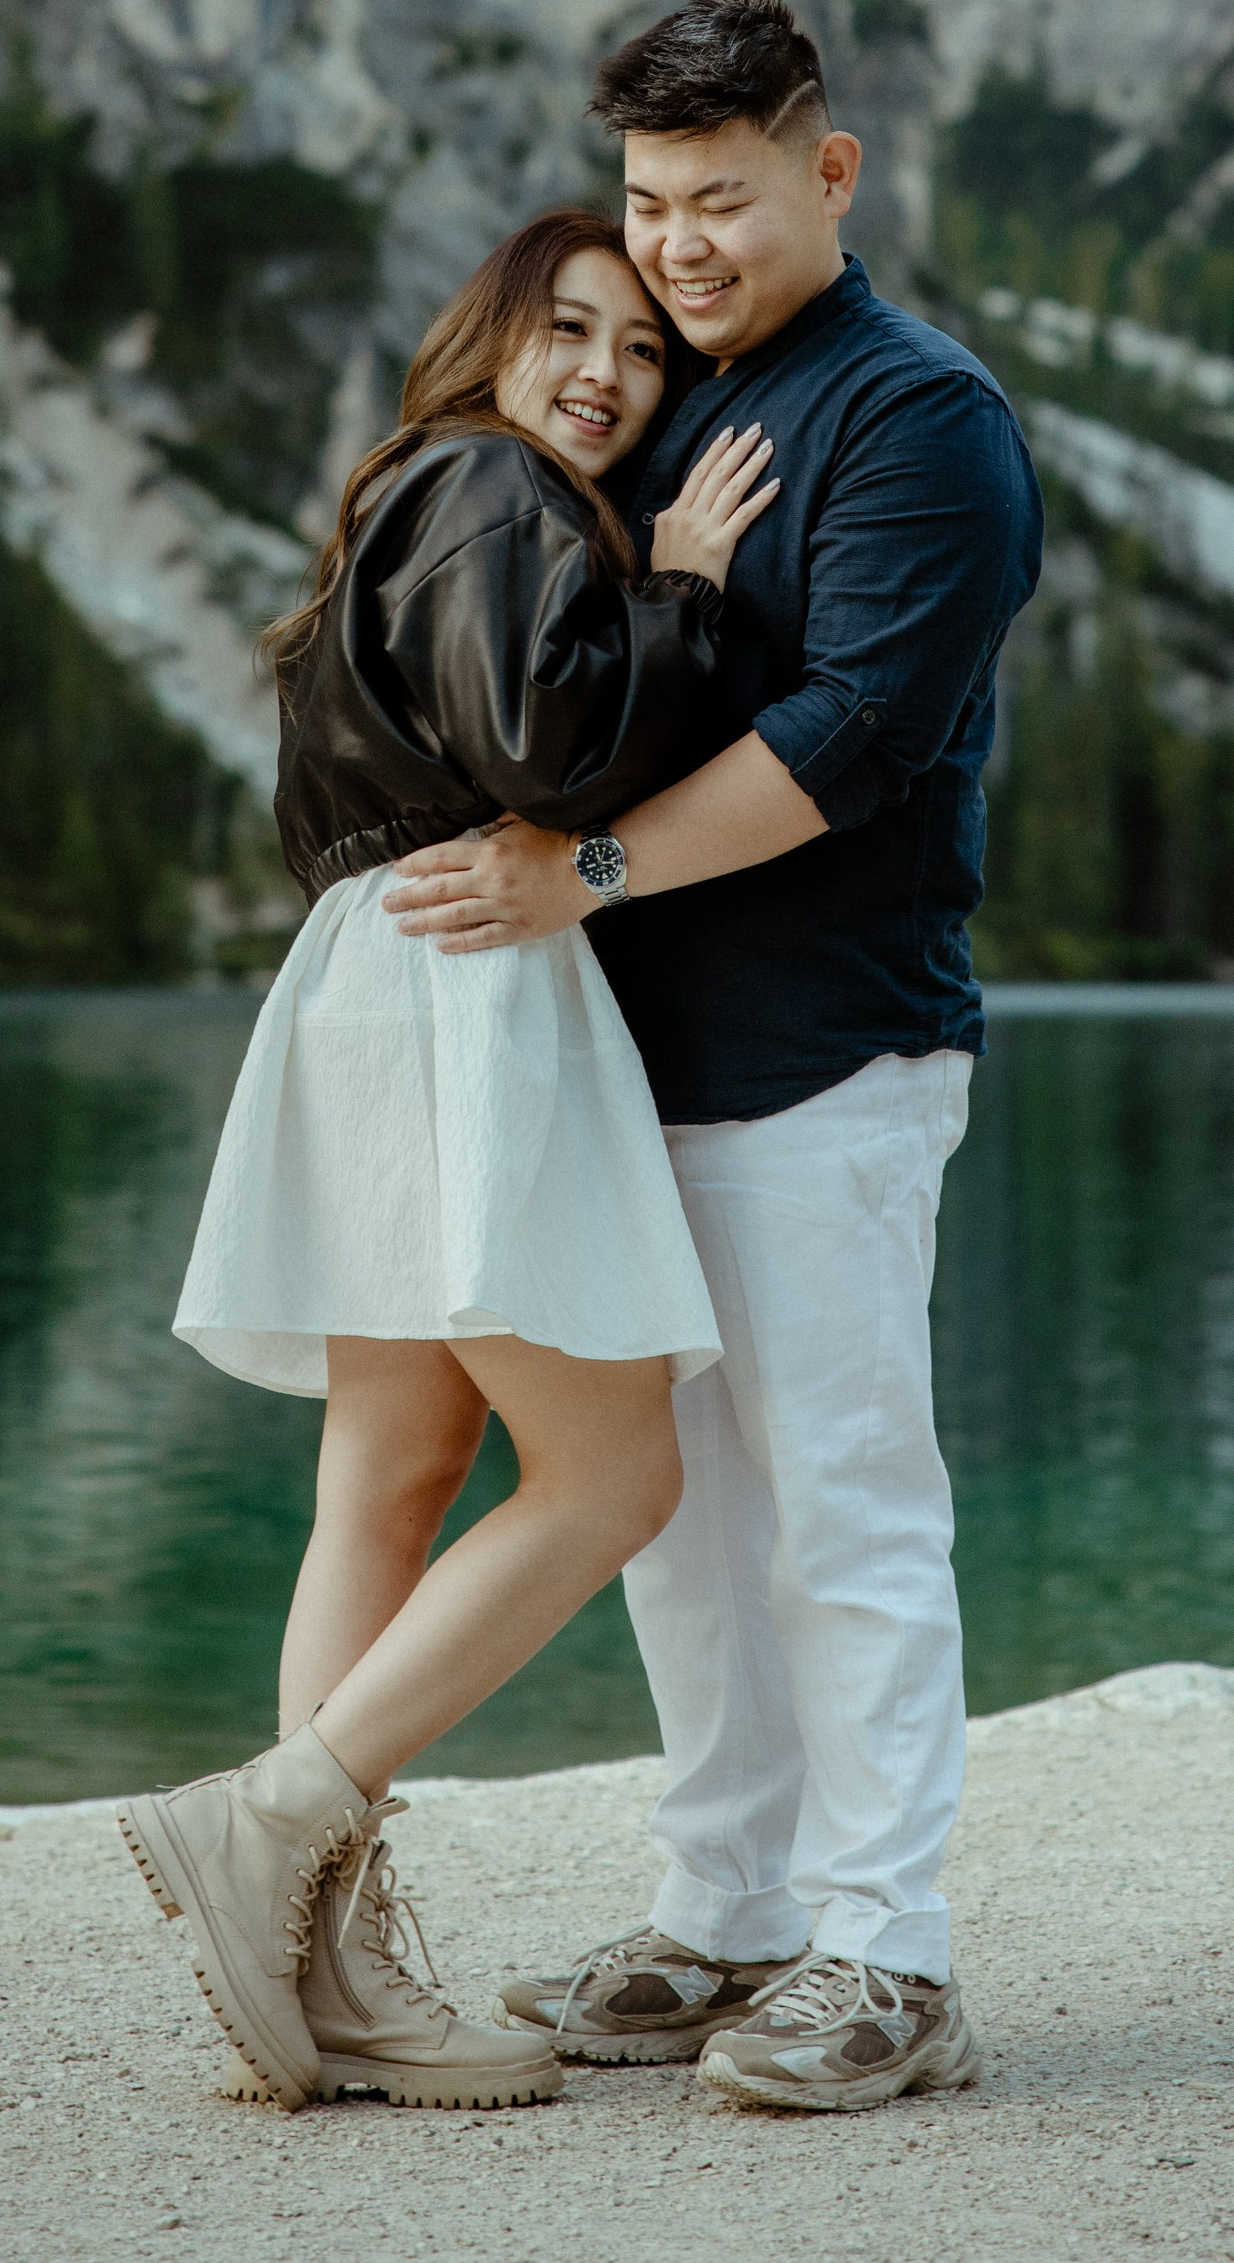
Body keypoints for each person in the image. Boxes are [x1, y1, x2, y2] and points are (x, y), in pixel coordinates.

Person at [385, 0, 1042, 2117]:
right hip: (623, 1067)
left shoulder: (921, 418)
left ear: (827, 171)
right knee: (672, 1515)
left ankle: (887, 1948)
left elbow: (842, 745)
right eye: (651, 200)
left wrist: (575, 870)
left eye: (720, 197)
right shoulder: (652, 398)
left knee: (840, 1503)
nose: (672, 244)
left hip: (824, 1056)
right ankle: (727, 1902)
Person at [120, 204, 783, 2115]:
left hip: (372, 970)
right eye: (567, 325)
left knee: (390, 1473)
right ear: (488, 337)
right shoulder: (494, 484)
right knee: (615, 1472)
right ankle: (279, 1823)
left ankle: (321, 1962)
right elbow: (546, 741)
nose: (606, 369)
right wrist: (686, 599)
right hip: (468, 981)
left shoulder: (418, 492)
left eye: (645, 349)